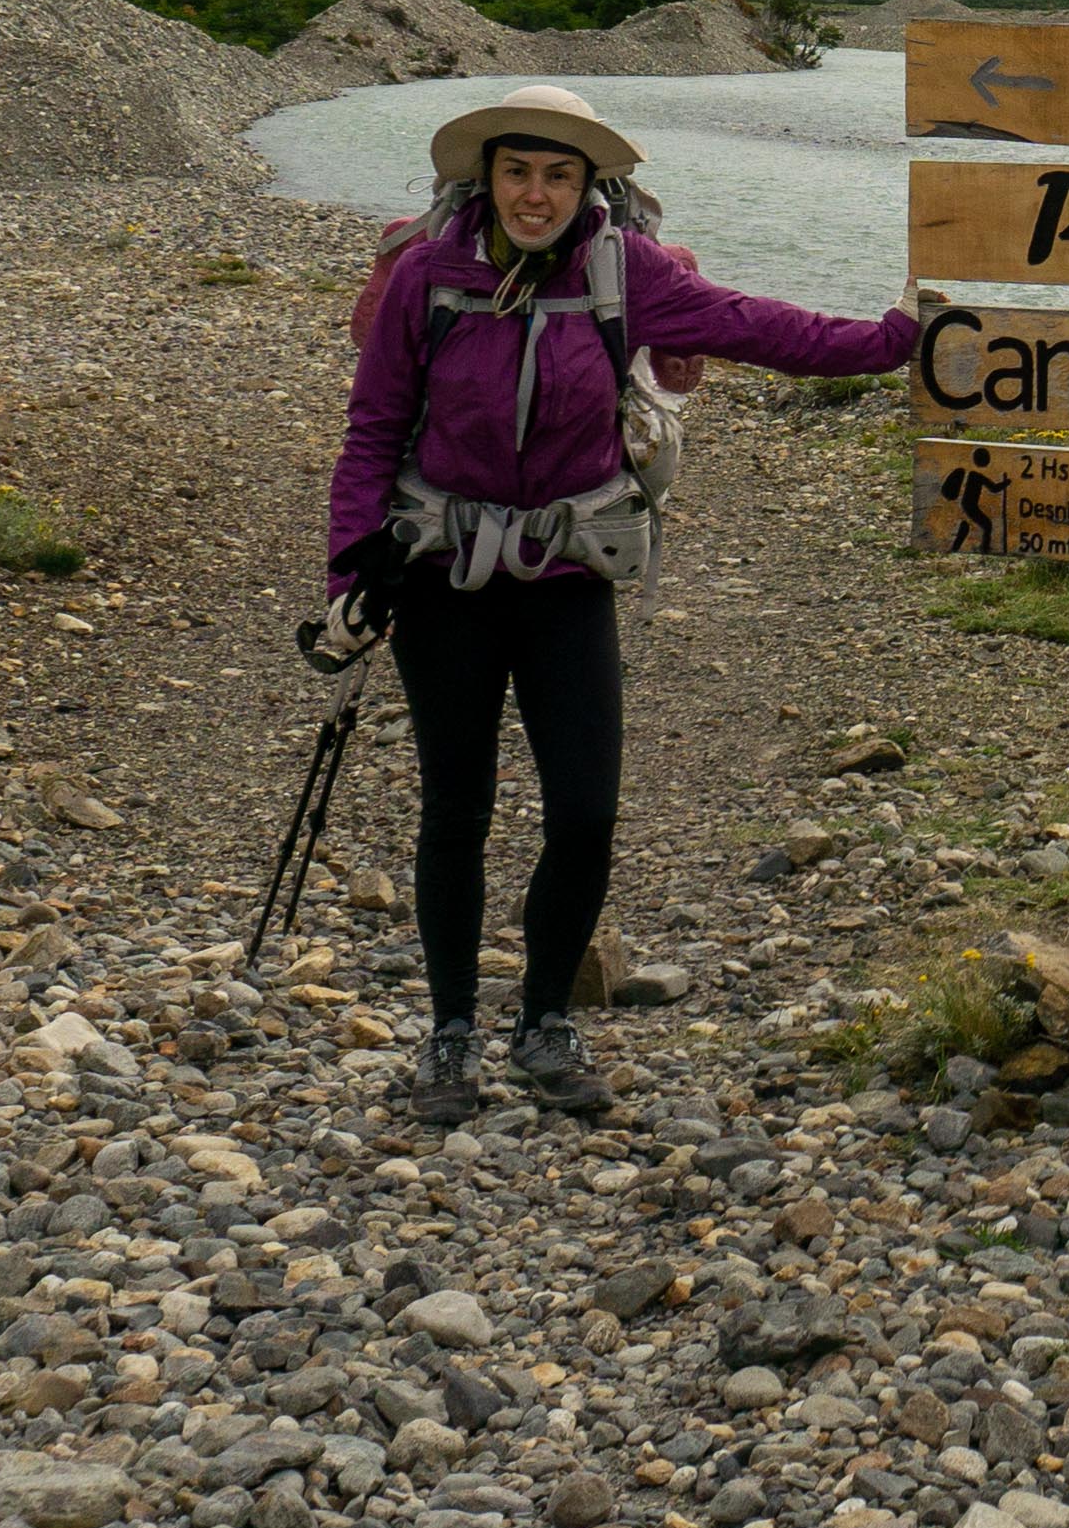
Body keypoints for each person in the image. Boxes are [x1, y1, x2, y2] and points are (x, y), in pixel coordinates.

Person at [324, 83, 919, 1123]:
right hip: (441, 582)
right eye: (519, 171)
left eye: (559, 175)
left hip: (564, 582)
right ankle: (451, 1035)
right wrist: (350, 576)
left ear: (590, 184)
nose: (537, 194)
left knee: (587, 813)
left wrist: (892, 337)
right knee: (455, 810)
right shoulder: (427, 274)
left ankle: (545, 1022)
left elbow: (762, 327)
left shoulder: (625, 272)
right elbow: (372, 429)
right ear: (487, 175)